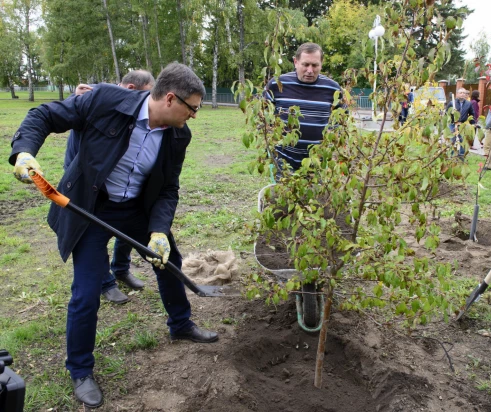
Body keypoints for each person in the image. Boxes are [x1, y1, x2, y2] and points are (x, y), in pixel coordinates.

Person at [10, 62, 218, 408]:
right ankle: (80, 370)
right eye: (192, 108)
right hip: (92, 206)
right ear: (170, 98)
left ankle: (180, 323)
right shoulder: (106, 101)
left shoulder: (179, 135)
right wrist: (24, 152)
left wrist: (158, 231)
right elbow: (45, 115)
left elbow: (168, 187)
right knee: (87, 290)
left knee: (168, 260)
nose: (194, 116)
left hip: (136, 208)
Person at [65, 70, 156, 304]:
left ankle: (121, 268)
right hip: (88, 178)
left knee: (127, 222)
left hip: (117, 178)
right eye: (148, 96)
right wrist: (76, 98)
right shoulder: (99, 98)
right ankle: (105, 282)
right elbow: (65, 110)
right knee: (95, 232)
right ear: (131, 90)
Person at [264, 42, 343, 174]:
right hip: (283, 162)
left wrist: (331, 145)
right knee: (282, 195)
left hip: (318, 163)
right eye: (305, 65)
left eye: (315, 65)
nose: (310, 70)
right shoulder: (277, 84)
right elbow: (263, 117)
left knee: (317, 195)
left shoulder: (333, 89)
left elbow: (341, 121)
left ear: (321, 64)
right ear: (296, 62)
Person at [445, 88, 475, 158]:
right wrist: (452, 113)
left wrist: (472, 123)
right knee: (453, 140)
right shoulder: (452, 103)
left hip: (462, 125)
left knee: (462, 140)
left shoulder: (468, 104)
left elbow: (472, 114)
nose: (462, 94)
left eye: (464, 93)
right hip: (453, 124)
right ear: (457, 94)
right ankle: (452, 156)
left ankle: (461, 156)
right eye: (461, 93)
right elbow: (446, 113)